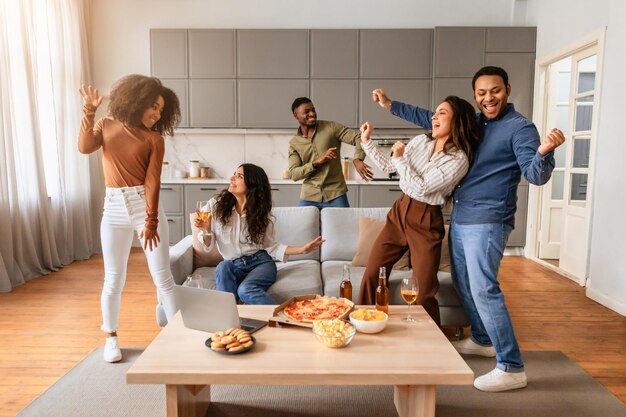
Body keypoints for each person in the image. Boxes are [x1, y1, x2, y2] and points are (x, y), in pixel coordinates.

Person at [372, 66, 565, 392]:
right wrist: (391, 105)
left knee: (483, 289)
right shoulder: (475, 121)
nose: (489, 98)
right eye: (481, 93)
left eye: (495, 91)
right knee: (463, 282)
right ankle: (482, 338)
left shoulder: (520, 128)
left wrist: (545, 152)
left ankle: (511, 366)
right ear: (475, 95)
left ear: (507, 89)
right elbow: (430, 116)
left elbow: (535, 175)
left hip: (488, 221)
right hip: (461, 217)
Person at [78, 74, 181, 363]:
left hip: (143, 208)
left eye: (161, 110)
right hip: (112, 208)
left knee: (162, 277)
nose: (157, 114)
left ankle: (178, 339)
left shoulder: (154, 139)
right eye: (154, 107)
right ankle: (111, 338)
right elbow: (85, 147)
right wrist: (89, 111)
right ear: (137, 101)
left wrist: (150, 221)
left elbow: (152, 182)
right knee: (113, 279)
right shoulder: (106, 125)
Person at [356, 96, 482, 326]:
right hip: (399, 211)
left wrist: (402, 160)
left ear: (457, 121)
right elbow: (389, 166)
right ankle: (364, 323)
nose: (434, 116)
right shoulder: (420, 142)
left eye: (442, 113)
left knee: (423, 290)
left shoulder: (459, 158)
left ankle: (432, 343)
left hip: (425, 218)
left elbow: (423, 188)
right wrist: (367, 142)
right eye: (435, 112)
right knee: (372, 274)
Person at [194, 163, 324, 304]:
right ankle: (229, 318)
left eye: (239, 176)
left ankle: (280, 320)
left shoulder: (261, 214)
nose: (232, 178)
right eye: (234, 174)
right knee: (222, 267)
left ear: (252, 184)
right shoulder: (215, 206)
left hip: (260, 264)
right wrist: (206, 229)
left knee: (245, 290)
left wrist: (303, 250)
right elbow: (208, 244)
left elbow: (272, 246)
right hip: (232, 265)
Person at [288, 97, 373, 208]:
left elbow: (359, 138)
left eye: (313, 110)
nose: (312, 114)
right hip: (309, 196)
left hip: (336, 194)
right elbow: (294, 174)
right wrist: (316, 163)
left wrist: (358, 159)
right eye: (306, 112)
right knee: (302, 226)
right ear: (296, 115)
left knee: (343, 226)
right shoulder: (294, 143)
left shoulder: (331, 127)